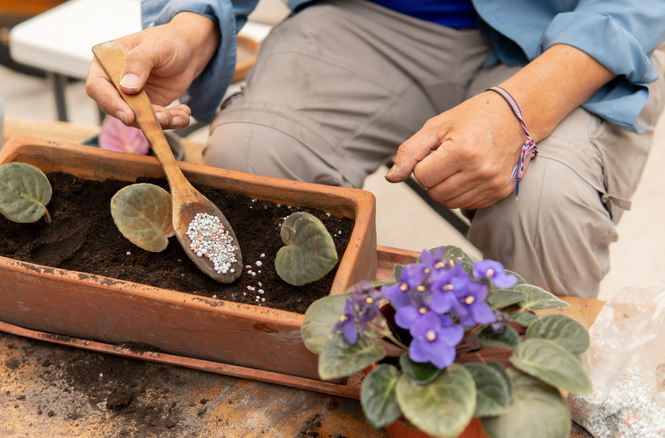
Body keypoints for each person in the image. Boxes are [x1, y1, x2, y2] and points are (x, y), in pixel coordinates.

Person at [86, 0, 665, 299]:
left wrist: (522, 109)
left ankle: (532, 402)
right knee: (253, 157)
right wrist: (195, 22)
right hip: (370, 17)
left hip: (570, 34)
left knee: (544, 202)